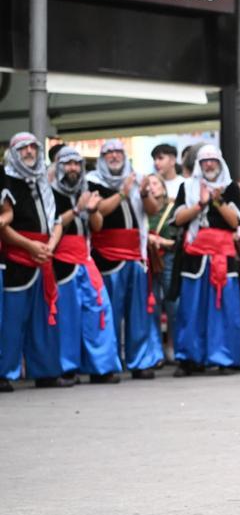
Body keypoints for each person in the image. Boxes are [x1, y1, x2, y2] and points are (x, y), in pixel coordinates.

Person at [88, 139, 162, 379]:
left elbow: (151, 210)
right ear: (102, 158)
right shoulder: (93, 181)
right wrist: (122, 193)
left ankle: (140, 362)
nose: (114, 157)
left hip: (135, 254)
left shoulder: (137, 178)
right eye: (109, 153)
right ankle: (105, 366)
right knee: (108, 314)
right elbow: (98, 213)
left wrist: (142, 193)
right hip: (107, 256)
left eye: (118, 152)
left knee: (138, 312)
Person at [0, 133, 69, 389]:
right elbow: (3, 224)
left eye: (32, 147)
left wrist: (49, 246)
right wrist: (30, 246)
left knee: (44, 318)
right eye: (23, 148)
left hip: (44, 257)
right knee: (12, 320)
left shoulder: (42, 180)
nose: (29, 152)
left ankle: (46, 371)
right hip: (18, 257)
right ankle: (5, 373)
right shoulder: (6, 180)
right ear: (13, 152)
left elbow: (57, 221)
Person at [169, 146, 240, 375]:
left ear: (220, 162)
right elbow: (178, 219)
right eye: (205, 161)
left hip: (223, 257)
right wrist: (201, 204)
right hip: (195, 256)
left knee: (224, 309)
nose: (209, 165)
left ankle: (225, 358)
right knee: (191, 309)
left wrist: (217, 201)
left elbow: (235, 222)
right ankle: (190, 358)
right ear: (199, 165)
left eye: (213, 161)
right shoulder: (188, 187)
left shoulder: (231, 188)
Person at [50, 146, 122, 384]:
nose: (73, 168)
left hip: (85, 258)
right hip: (61, 259)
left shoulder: (87, 190)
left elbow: (98, 225)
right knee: (66, 315)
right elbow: (53, 225)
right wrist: (77, 208)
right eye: (68, 163)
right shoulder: (50, 192)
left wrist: (91, 210)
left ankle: (101, 367)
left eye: (76, 164)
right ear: (59, 166)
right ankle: (66, 368)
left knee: (99, 311)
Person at [144, 173, 180, 361]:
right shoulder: (143, 209)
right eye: (148, 184)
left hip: (168, 259)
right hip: (148, 261)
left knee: (172, 304)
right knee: (152, 305)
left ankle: (173, 345)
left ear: (164, 187)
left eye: (156, 183)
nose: (152, 187)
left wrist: (160, 241)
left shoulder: (172, 208)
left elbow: (177, 239)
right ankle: (155, 348)